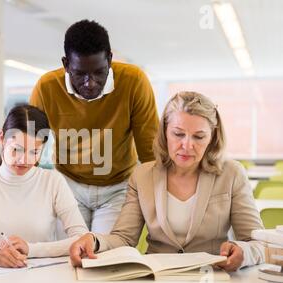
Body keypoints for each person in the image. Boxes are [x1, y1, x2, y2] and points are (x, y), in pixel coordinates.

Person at [69, 91, 265, 272]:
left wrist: (243, 252)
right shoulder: (142, 175)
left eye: (199, 137)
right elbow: (124, 238)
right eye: (178, 134)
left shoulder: (232, 174)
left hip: (211, 278)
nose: (187, 145)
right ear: (164, 132)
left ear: (212, 138)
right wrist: (93, 240)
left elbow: (257, 242)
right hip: (156, 279)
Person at [30, 19, 159, 234]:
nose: (90, 83)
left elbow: (150, 152)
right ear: (66, 64)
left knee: (104, 258)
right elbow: (27, 145)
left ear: (109, 59)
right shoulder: (47, 87)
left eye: (99, 72)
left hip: (117, 186)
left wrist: (161, 203)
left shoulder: (134, 81)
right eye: (80, 74)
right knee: (68, 251)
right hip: (68, 184)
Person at [0, 105, 88, 268]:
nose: (24, 160)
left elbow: (82, 238)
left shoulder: (53, 182)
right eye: (16, 150)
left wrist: (31, 249)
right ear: (2, 138)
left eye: (34, 152)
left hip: (42, 278)